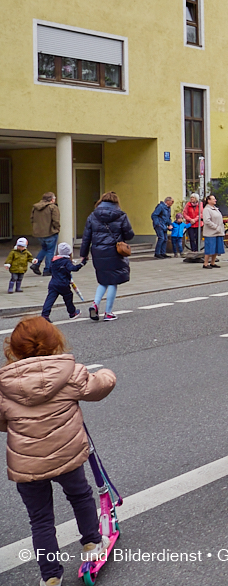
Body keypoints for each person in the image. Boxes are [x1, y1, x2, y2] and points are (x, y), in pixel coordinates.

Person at [0, 316, 116, 586]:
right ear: (55, 343)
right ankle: (91, 542)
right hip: (68, 456)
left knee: (39, 518)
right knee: (80, 496)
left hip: (26, 465)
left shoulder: (5, 386)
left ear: (13, 350)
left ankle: (50, 575)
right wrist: (107, 374)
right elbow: (99, 387)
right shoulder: (70, 374)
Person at [80, 192, 134, 322]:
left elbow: (86, 237)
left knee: (103, 280)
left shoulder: (93, 215)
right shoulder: (121, 215)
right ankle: (108, 312)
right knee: (113, 282)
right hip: (114, 251)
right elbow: (129, 235)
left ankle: (95, 304)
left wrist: (83, 254)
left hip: (98, 251)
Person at [41, 243, 83, 322]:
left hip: (53, 283)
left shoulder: (54, 260)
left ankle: (45, 315)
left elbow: (50, 270)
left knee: (50, 299)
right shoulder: (66, 261)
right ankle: (72, 313)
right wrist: (81, 264)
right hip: (63, 284)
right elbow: (73, 268)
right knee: (68, 297)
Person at [30, 193, 60, 277]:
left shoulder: (35, 207)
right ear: (51, 199)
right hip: (50, 232)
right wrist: (57, 229)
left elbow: (31, 219)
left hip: (39, 233)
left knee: (44, 249)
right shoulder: (53, 207)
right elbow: (56, 220)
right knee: (50, 251)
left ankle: (36, 264)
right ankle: (47, 269)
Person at [201, 194, 225, 269]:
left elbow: (218, 219)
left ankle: (212, 262)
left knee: (216, 248)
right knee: (209, 248)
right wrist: (215, 227)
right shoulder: (206, 210)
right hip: (210, 233)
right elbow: (207, 221)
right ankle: (205, 263)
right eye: (213, 199)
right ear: (209, 201)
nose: (215, 200)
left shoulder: (216, 209)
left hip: (218, 232)